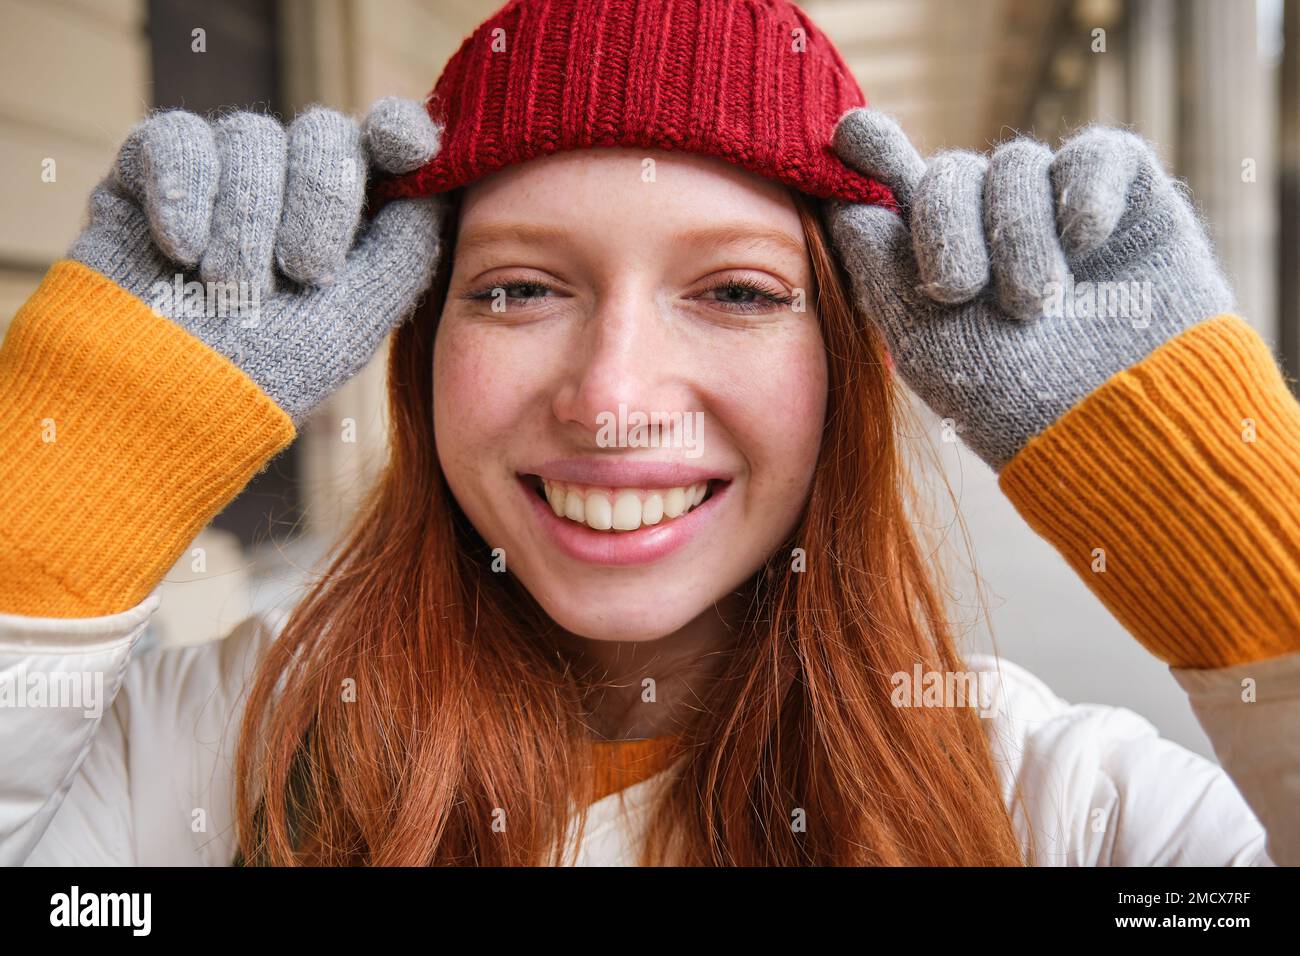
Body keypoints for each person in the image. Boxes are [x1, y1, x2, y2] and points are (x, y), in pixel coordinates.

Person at [1, 0, 1297, 867]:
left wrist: (1223, 519)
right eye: (517, 288)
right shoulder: (213, 748)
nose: (613, 398)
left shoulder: (1066, 813)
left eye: (735, 292)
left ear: (852, 359)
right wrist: (85, 435)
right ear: (415, 342)